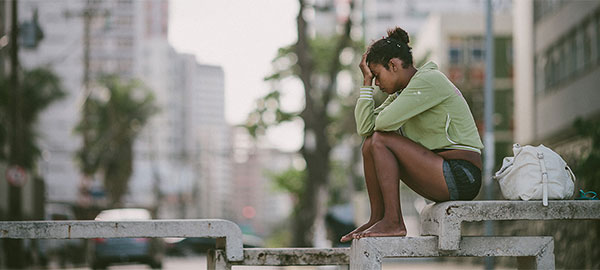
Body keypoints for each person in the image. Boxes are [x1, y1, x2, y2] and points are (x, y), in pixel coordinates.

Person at [340, 27, 484, 242]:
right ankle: (378, 217)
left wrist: (367, 89)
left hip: (462, 175)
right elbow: (365, 129)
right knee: (370, 143)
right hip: (438, 171)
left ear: (393, 65)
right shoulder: (404, 92)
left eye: (376, 76)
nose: (376, 84)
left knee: (380, 141)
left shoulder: (428, 81)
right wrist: (365, 83)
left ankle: (394, 221)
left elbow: (382, 124)